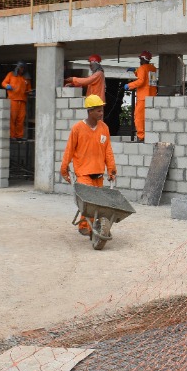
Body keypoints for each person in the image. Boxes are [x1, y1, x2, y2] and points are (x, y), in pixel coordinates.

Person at [61, 95, 117, 237]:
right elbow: (69, 150)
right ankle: (87, 227)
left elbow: (108, 151)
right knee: (89, 201)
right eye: (98, 111)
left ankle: (88, 225)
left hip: (98, 173)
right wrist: (64, 168)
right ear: (90, 111)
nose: (101, 113)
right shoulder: (78, 129)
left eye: (102, 110)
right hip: (83, 173)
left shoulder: (104, 128)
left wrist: (111, 169)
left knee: (96, 204)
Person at [125, 51, 158, 142]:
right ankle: (149, 135)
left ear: (143, 59)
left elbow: (141, 81)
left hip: (143, 97)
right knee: (148, 117)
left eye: (140, 59)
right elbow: (146, 77)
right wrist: (136, 71)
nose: (139, 61)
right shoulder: (153, 68)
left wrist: (129, 85)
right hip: (151, 97)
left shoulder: (142, 68)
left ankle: (141, 136)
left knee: (138, 117)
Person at [2, 61, 32, 140]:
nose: (22, 69)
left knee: (21, 119)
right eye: (21, 68)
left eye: (23, 68)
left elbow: (29, 89)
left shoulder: (26, 78)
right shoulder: (11, 74)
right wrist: (7, 85)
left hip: (22, 101)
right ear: (17, 68)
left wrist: (30, 91)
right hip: (13, 100)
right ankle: (12, 136)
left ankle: (19, 136)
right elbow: (3, 83)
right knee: (12, 119)